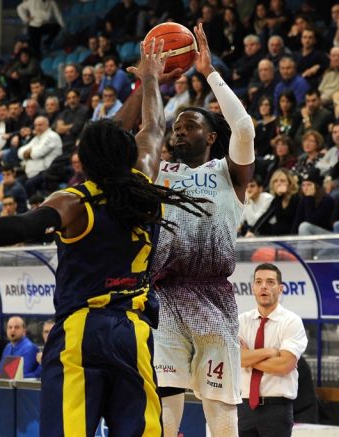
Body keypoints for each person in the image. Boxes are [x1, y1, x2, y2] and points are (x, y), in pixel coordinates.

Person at [0, 38, 207, 436]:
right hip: (133, 332)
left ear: (84, 161)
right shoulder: (144, 181)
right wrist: (151, 81)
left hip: (82, 331)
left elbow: (18, 226)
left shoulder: (74, 203)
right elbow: (153, 128)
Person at [114, 23, 254, 436]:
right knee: (163, 408)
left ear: (210, 136)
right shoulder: (157, 171)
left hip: (214, 299)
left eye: (188, 125)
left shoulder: (228, 172)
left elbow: (244, 128)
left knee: (220, 410)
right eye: (175, 126)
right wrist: (148, 83)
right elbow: (117, 140)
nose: (178, 130)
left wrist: (209, 73)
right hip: (165, 297)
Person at [238, 263, 308, 437]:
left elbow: (285, 365)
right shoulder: (241, 321)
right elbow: (235, 359)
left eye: (270, 282)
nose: (264, 286)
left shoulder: (291, 321)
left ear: (280, 288)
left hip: (276, 409)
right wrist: (268, 352)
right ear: (253, 288)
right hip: (243, 407)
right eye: (258, 282)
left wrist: (249, 359)